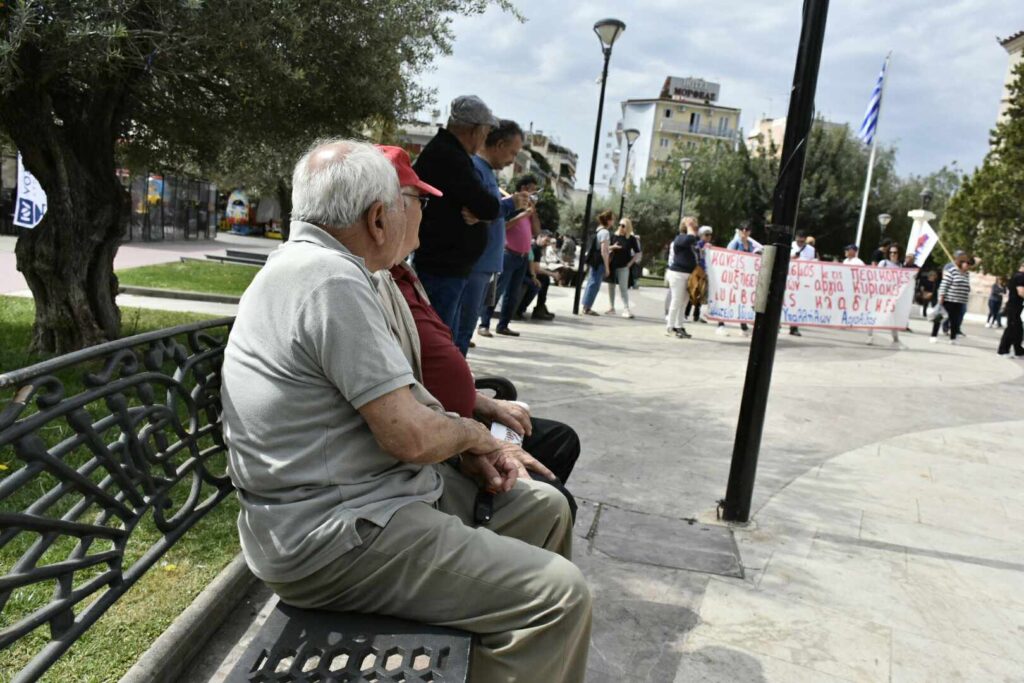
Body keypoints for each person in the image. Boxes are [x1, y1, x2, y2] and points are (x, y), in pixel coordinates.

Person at [222, 140, 590, 683]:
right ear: (376, 219)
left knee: (541, 509)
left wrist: (472, 444)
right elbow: (410, 437)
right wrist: (478, 437)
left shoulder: (332, 271)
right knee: (558, 596)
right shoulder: (329, 280)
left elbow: (408, 400)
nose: (414, 215)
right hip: (335, 538)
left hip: (361, 508)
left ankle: (499, 655)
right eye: (404, 206)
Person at [412, 95, 509, 332]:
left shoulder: (451, 153)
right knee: (438, 337)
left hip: (448, 267)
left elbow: (484, 207)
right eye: (485, 133)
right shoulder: (450, 157)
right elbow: (488, 206)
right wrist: (481, 210)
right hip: (441, 268)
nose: (484, 140)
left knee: (446, 335)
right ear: (474, 131)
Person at [457, 119, 529, 354]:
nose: (513, 159)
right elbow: (480, 211)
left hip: (484, 264)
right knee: (462, 329)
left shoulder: (486, 172)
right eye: (512, 152)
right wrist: (510, 205)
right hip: (475, 265)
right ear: (498, 145)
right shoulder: (476, 168)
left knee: (467, 328)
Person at [477, 175, 539, 338]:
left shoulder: (528, 209)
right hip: (509, 254)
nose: (535, 193)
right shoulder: (510, 203)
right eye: (533, 189)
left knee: (513, 295)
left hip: (523, 256)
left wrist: (533, 213)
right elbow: (504, 225)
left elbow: (537, 231)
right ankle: (484, 324)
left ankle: (503, 325)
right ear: (524, 188)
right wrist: (523, 214)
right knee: (496, 292)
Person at [665, 217, 699, 339]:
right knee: (676, 300)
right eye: (692, 225)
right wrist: (689, 225)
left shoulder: (691, 241)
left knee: (684, 302)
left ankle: (679, 326)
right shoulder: (680, 239)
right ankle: (670, 327)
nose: (695, 227)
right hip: (678, 274)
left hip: (688, 275)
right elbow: (690, 238)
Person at [722, 222, 756, 336]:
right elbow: (728, 256)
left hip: (745, 278)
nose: (745, 231)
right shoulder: (735, 243)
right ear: (739, 230)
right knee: (728, 300)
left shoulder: (750, 244)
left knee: (743, 301)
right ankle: (721, 324)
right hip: (734, 276)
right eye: (743, 229)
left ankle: (743, 326)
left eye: (747, 229)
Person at [930, 255, 971, 344]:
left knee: (955, 321)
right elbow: (944, 285)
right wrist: (941, 297)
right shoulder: (952, 272)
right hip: (948, 299)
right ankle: (933, 335)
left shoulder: (967, 274)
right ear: (961, 263)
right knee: (939, 318)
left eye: (969, 264)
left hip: (960, 301)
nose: (968, 265)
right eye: (966, 263)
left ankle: (953, 338)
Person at [866, 244, 901, 346]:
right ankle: (870, 336)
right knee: (874, 316)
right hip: (880, 294)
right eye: (891, 252)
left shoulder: (899, 266)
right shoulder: (883, 263)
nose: (893, 254)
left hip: (893, 295)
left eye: (895, 252)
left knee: (893, 317)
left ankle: (895, 338)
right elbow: (876, 276)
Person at [605, 217, 641, 318]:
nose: (620, 227)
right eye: (619, 225)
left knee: (623, 288)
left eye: (623, 225)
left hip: (624, 266)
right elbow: (605, 248)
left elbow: (637, 253)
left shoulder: (631, 238)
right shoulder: (613, 236)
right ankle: (611, 307)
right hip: (612, 265)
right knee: (611, 286)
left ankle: (626, 308)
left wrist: (630, 264)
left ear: (628, 227)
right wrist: (613, 247)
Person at [581, 209, 615, 315]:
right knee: (594, 284)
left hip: (593, 261)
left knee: (591, 283)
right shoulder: (605, 232)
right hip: (598, 262)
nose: (613, 222)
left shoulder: (598, 230)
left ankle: (586, 305)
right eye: (613, 219)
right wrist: (607, 267)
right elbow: (604, 251)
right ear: (608, 221)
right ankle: (587, 307)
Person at [789, 230, 816, 336]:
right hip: (789, 278)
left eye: (802, 241)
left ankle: (794, 327)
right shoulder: (790, 246)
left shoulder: (811, 250)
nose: (800, 243)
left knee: (798, 303)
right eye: (798, 240)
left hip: (802, 280)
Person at [686, 225, 712, 325]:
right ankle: (686, 313)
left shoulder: (709, 246)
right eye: (706, 235)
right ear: (701, 235)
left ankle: (696, 315)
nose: (709, 237)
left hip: (705, 272)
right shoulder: (698, 245)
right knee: (693, 292)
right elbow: (696, 256)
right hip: (697, 271)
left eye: (710, 235)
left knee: (701, 293)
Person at [997, 260, 1024, 357]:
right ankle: (1003, 350)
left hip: (1015, 307)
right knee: (1011, 329)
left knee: (1018, 329)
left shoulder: (1017, 275)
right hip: (1014, 306)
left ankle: (1019, 350)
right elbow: (1021, 292)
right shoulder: (1021, 276)